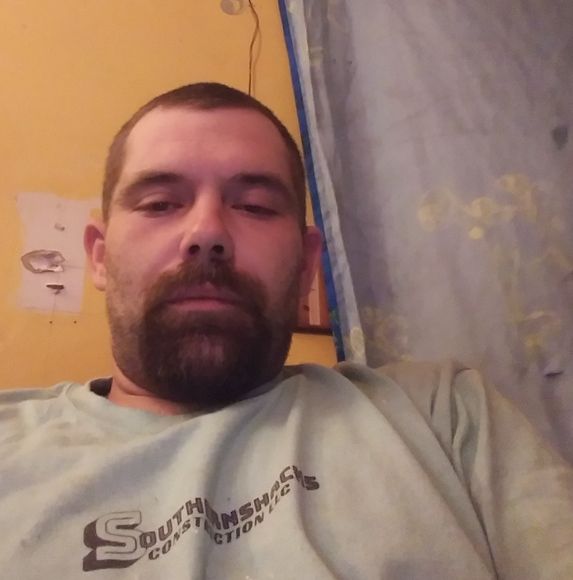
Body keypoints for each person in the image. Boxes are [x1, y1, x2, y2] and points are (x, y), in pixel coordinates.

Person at [1, 82, 572, 580]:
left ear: (305, 266)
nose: (207, 232)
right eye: (159, 204)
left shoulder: (446, 415)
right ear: (99, 257)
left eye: (253, 206)